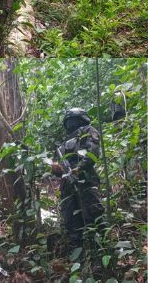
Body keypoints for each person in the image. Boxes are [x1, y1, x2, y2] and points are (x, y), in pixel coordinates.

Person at [51, 108, 105, 252]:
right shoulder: (62, 144)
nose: (71, 123)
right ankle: (78, 259)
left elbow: (92, 152)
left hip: (85, 181)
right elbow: (56, 166)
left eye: (73, 120)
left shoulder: (89, 131)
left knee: (94, 216)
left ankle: (100, 253)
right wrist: (55, 168)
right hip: (67, 186)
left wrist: (79, 168)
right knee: (71, 222)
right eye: (69, 120)